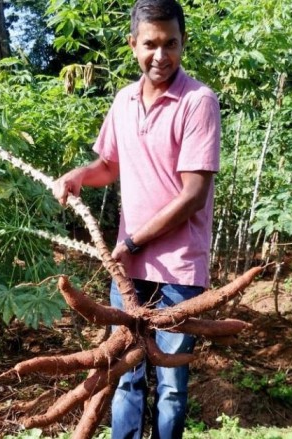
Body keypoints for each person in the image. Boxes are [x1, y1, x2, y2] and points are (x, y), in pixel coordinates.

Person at [51, 1, 221, 438]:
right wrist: (76, 176)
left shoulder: (199, 102)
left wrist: (134, 240)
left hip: (179, 271)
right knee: (122, 374)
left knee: (171, 386)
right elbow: (108, 165)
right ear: (133, 45)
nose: (160, 56)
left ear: (183, 44)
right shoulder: (124, 101)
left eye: (171, 44)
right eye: (150, 44)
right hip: (128, 268)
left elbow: (193, 195)